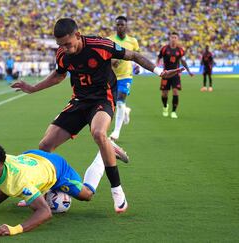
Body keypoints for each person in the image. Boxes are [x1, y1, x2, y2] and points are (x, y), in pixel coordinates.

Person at [11, 18, 183, 213]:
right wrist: (33, 88)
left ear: (78, 35)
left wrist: (160, 71)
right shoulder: (62, 54)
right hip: (79, 101)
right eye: (61, 45)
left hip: (103, 98)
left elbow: (134, 55)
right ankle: (40, 192)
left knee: (99, 134)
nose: (65, 48)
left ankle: (117, 191)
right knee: (44, 146)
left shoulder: (100, 45)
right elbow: (59, 76)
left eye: (67, 44)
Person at [107, 16, 140, 141]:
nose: (120, 27)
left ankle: (116, 132)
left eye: (122, 25)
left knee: (120, 100)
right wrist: (111, 62)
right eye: (118, 25)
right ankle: (125, 110)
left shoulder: (132, 41)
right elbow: (104, 58)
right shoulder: (110, 40)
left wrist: (137, 66)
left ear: (126, 26)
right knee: (114, 103)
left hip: (126, 76)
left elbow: (137, 55)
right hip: (111, 76)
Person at [157, 32, 194, 119]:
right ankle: (165, 106)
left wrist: (189, 71)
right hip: (165, 74)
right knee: (164, 94)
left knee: (175, 92)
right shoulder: (164, 49)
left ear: (177, 39)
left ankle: (173, 111)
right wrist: (157, 67)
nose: (173, 39)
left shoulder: (180, 50)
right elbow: (159, 57)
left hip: (176, 74)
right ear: (169, 38)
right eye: (172, 37)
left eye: (175, 37)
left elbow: (183, 61)